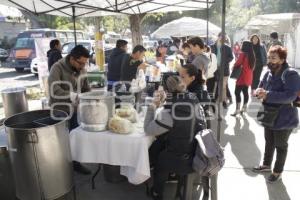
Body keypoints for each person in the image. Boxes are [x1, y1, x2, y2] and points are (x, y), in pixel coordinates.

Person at [144, 75, 207, 200]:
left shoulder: (170, 111)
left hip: (183, 159)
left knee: (158, 155)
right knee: (161, 144)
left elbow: (148, 130)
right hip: (198, 152)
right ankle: (174, 177)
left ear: (166, 91)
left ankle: (157, 192)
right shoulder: (194, 99)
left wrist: (152, 107)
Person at [253, 46, 300, 183]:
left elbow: (290, 96)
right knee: (269, 142)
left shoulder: (290, 74)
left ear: (282, 59)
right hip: (269, 114)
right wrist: (259, 91)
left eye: (273, 58)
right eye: (269, 57)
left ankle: (277, 171)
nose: (270, 60)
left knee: (280, 145)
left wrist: (267, 95)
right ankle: (266, 165)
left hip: (285, 117)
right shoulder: (268, 72)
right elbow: (261, 86)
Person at [48, 45, 91, 175]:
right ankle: (60, 167)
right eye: (80, 63)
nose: (83, 66)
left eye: (85, 63)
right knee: (62, 141)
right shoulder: (57, 67)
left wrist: (90, 98)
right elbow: (54, 90)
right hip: (60, 111)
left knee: (74, 138)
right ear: (72, 59)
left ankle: (75, 163)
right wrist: (72, 95)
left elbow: (86, 88)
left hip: (75, 110)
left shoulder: (82, 69)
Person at [230, 41, 256, 116]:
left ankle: (237, 109)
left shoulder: (243, 54)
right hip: (249, 76)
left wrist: (233, 67)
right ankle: (244, 108)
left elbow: (237, 63)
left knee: (237, 92)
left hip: (242, 76)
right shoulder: (252, 55)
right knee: (245, 92)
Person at [211, 33, 234, 108]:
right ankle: (215, 99)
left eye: (225, 37)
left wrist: (224, 61)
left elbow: (231, 57)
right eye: (221, 36)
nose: (223, 38)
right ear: (218, 37)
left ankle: (224, 101)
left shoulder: (227, 47)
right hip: (214, 69)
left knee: (223, 86)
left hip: (224, 70)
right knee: (216, 85)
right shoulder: (212, 47)